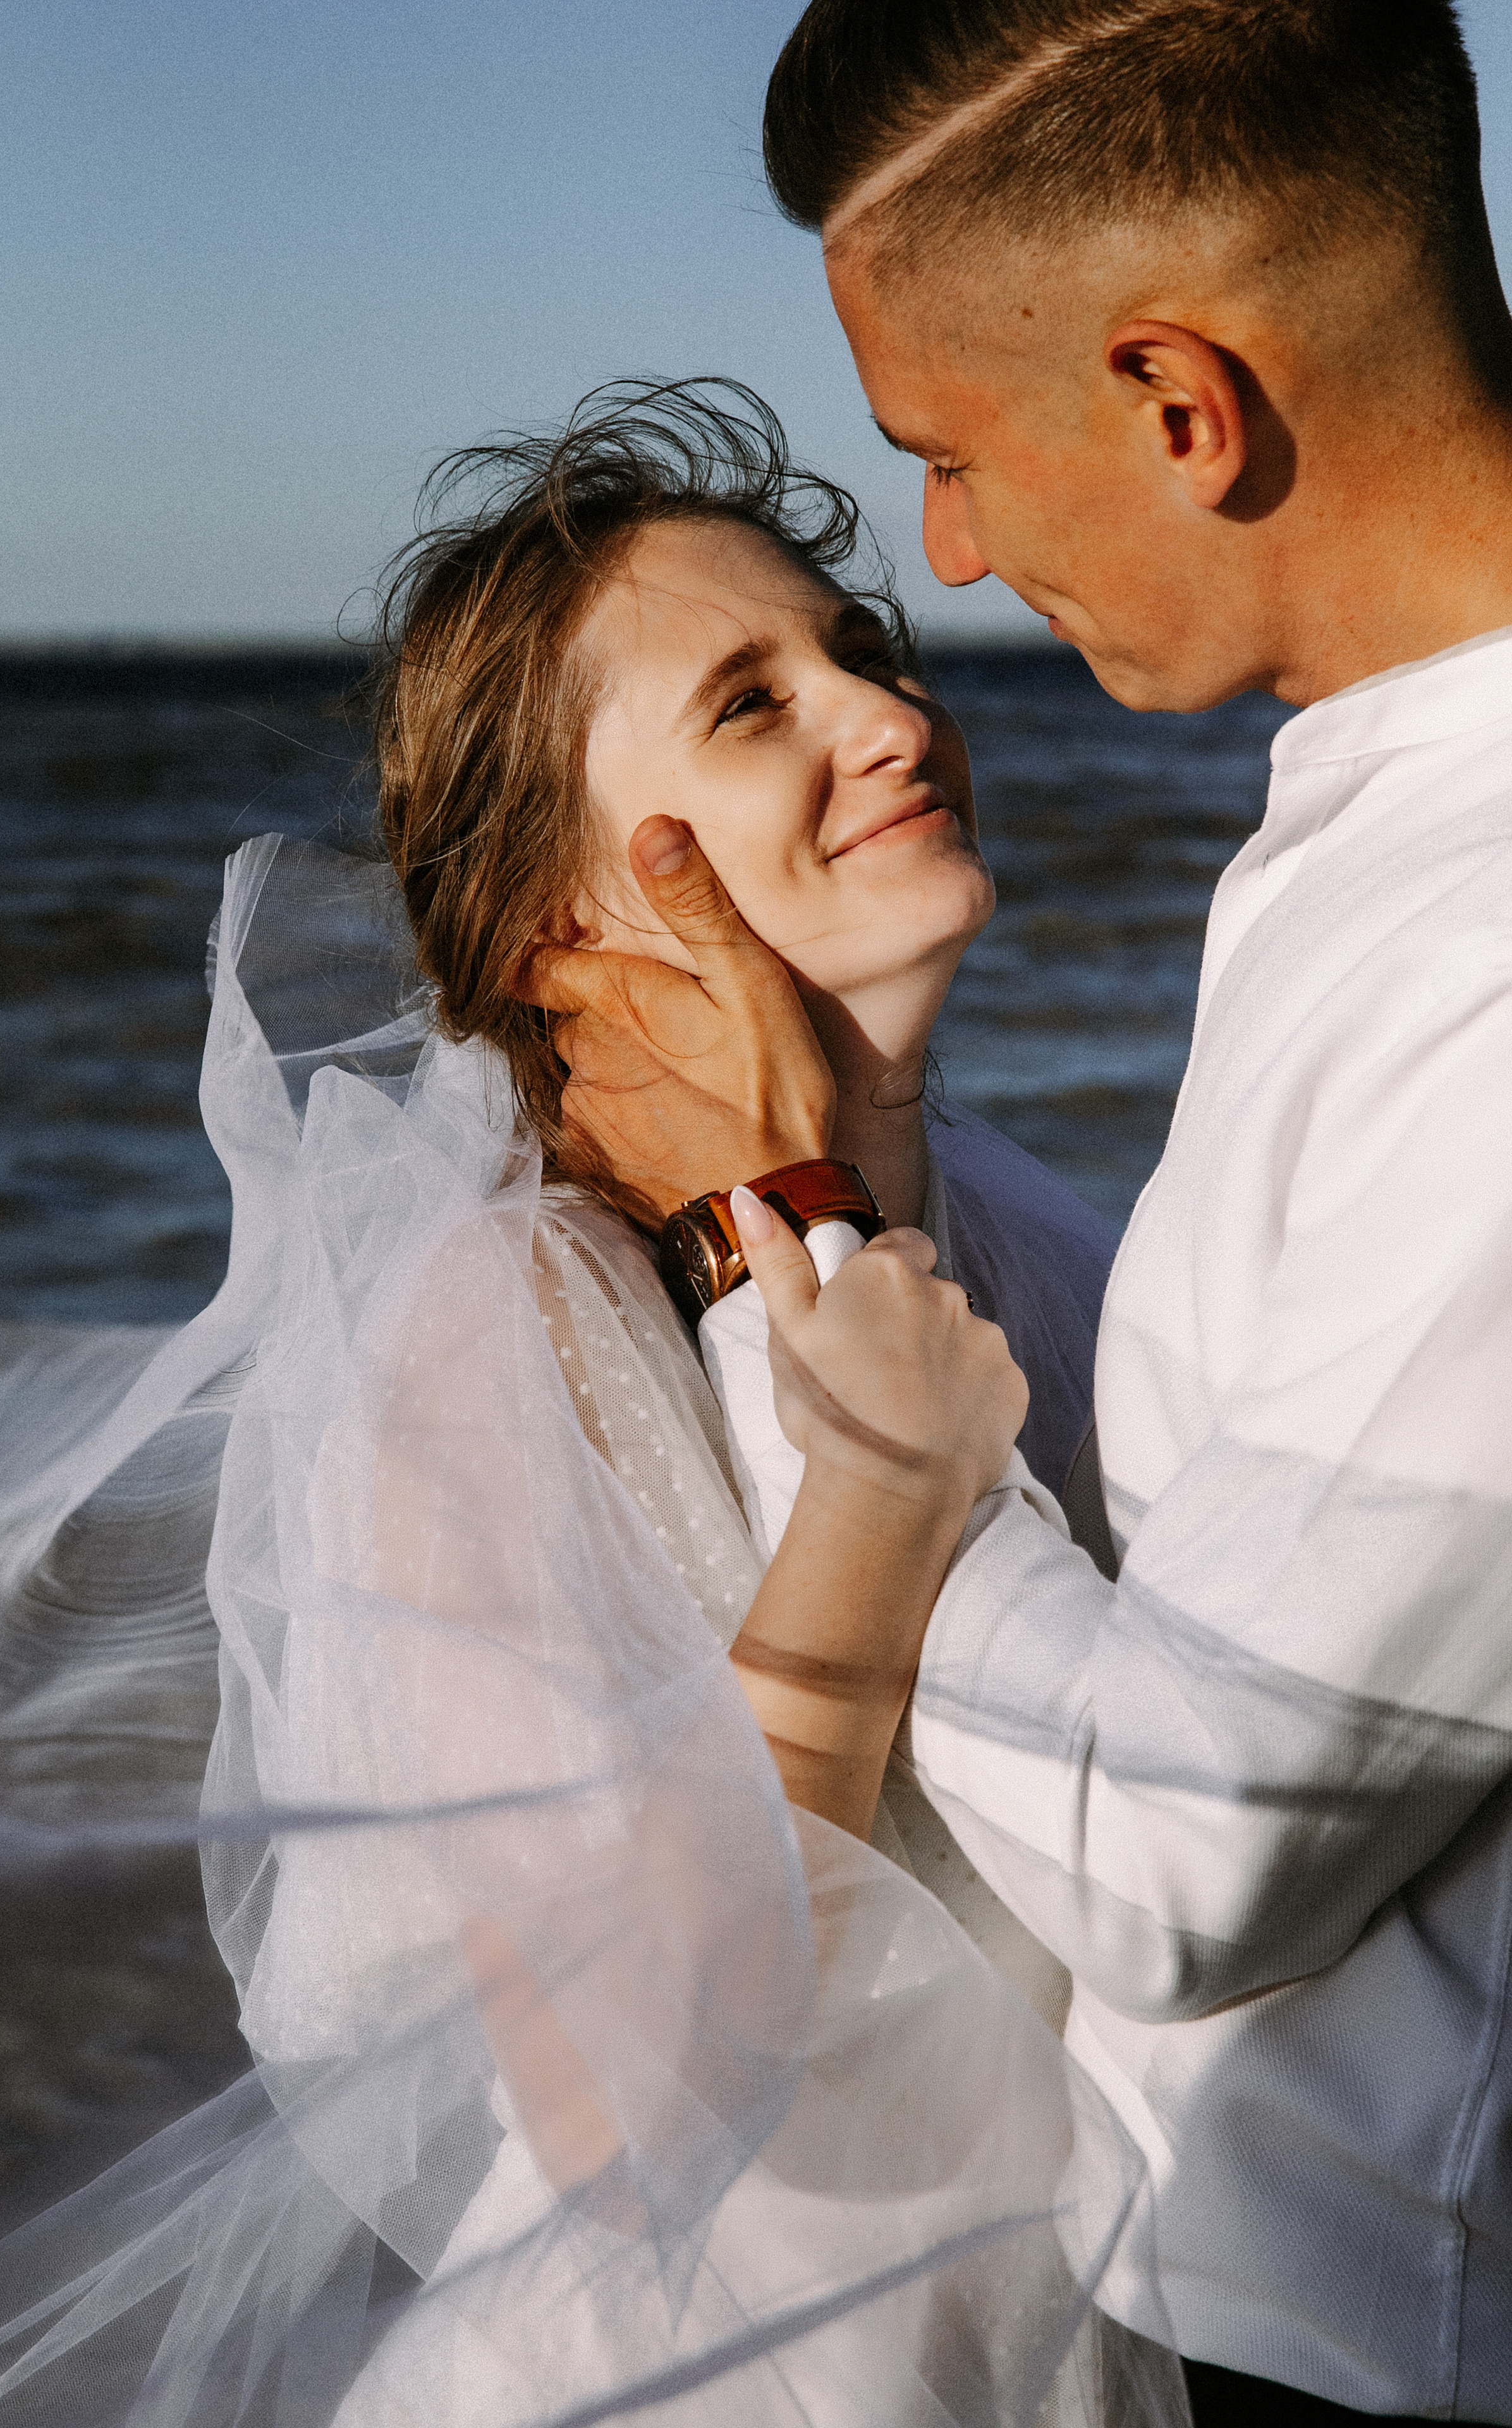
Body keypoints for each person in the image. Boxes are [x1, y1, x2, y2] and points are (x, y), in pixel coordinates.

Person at [0, 383, 1190, 2428]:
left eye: (855, 650)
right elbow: (622, 2104)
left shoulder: (1036, 1233)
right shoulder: (499, 1327)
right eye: (751, 706)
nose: (888, 716)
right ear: (563, 927)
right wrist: (873, 1503)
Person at [530, 6, 1512, 2424]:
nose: (950, 561)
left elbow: (1182, 1845)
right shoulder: (1376, 831)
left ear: (1185, 399)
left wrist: (783, 1246)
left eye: (948, 462)